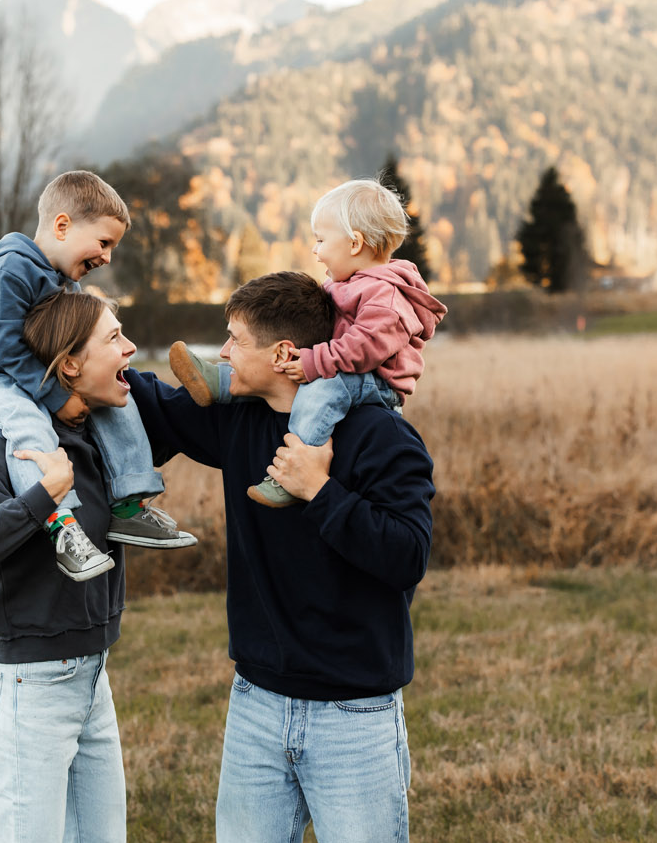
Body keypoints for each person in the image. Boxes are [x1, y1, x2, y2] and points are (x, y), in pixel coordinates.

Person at [126, 271, 436, 843]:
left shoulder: (379, 436)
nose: (221, 353)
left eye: (235, 340)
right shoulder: (236, 418)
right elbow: (146, 404)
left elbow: (407, 555)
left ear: (284, 354)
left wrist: (320, 492)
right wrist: (76, 335)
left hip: (354, 714)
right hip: (256, 702)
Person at [0, 291, 142, 842]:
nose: (130, 347)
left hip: (92, 679)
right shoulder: (9, 448)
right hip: (28, 689)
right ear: (71, 364)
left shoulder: (99, 438)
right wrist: (43, 497)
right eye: (114, 338)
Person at [0, 169, 196, 582]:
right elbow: (6, 348)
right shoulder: (8, 270)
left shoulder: (64, 284)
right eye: (103, 242)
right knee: (24, 420)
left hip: (26, 372)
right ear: (62, 226)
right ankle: (62, 527)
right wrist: (58, 397)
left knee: (114, 403)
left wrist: (88, 388)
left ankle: (129, 505)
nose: (107, 257)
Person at [170, 179, 446, 507]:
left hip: (377, 380)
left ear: (355, 244)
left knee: (321, 389)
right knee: (285, 368)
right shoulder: (348, 283)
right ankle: (222, 380)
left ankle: (294, 467)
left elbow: (364, 346)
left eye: (321, 240)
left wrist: (315, 361)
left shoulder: (384, 295)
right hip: (347, 366)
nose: (315, 251)